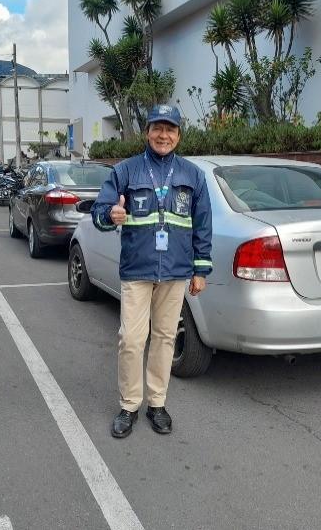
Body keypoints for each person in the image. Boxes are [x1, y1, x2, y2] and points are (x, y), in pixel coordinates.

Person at [91, 104, 213, 439]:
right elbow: (100, 211)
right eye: (157, 128)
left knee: (164, 338)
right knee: (131, 339)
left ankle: (156, 403)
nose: (163, 135)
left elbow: (202, 225)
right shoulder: (127, 171)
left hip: (175, 272)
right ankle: (129, 405)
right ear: (147, 132)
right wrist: (110, 215)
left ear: (178, 135)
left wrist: (200, 269)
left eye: (170, 129)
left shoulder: (192, 175)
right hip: (137, 269)